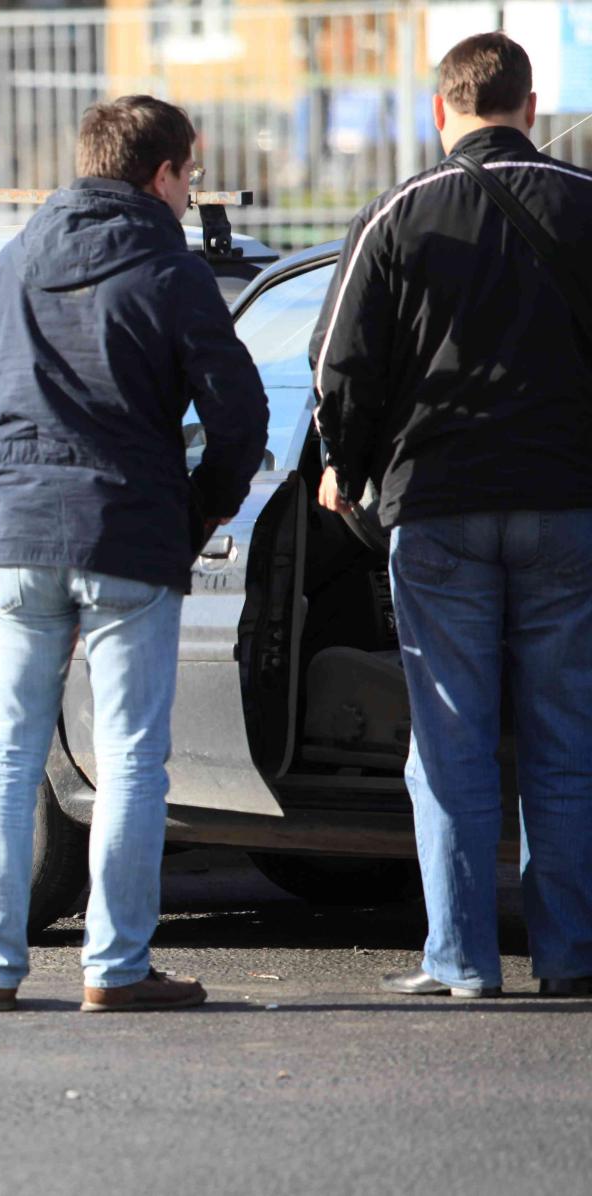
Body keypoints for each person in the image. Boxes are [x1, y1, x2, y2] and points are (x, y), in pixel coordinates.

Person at [0, 96, 268, 1013]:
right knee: (131, 758)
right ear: (161, 173)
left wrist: (18, 480)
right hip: (128, 534)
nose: (190, 194)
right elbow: (240, 416)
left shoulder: (11, 264)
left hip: (14, 537)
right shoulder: (169, 269)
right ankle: (116, 968)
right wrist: (193, 513)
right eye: (190, 176)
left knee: (8, 757)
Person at [311, 32, 592, 999]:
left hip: (438, 508)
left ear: (442, 111)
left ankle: (462, 961)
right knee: (567, 740)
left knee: (451, 743)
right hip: (570, 507)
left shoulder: (400, 210)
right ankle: (572, 956)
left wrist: (345, 467)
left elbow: (337, 365)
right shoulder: (588, 202)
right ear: (529, 102)